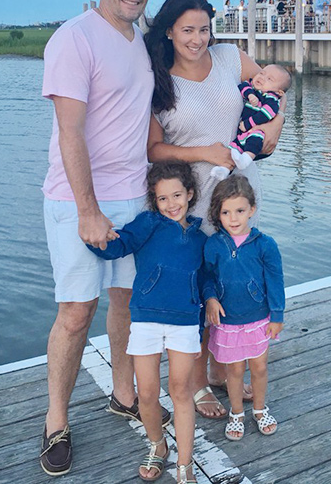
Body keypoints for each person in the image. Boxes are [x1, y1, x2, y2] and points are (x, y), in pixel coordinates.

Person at [39, 0, 171, 477]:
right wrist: (89, 210)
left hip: (134, 195)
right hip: (79, 201)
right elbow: (69, 130)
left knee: (126, 301)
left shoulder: (141, 41)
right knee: (76, 313)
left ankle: (125, 395)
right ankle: (54, 421)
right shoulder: (74, 38)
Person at [144, 0, 285, 420]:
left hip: (238, 196)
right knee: (202, 296)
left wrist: (273, 131)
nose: (197, 38)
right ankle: (200, 382)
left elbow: (273, 92)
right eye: (187, 30)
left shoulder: (230, 57)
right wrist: (203, 151)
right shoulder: (159, 80)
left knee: (237, 286)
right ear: (169, 31)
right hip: (191, 201)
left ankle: (229, 369)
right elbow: (154, 150)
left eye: (204, 29)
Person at [87, 161, 206, 483]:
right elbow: (119, 245)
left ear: (190, 194)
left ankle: (185, 463)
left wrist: (204, 317)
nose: (171, 204)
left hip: (184, 324)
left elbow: (206, 282)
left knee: (181, 391)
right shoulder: (148, 224)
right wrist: (94, 235)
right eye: (163, 198)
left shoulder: (201, 238)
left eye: (177, 195)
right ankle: (158, 444)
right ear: (154, 200)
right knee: (148, 394)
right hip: (145, 321)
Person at [203, 176, 284, 441]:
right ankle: (236, 413)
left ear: (252, 209)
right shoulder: (214, 245)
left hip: (259, 319)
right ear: (218, 213)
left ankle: (259, 409)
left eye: (240, 211)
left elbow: (275, 281)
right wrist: (211, 298)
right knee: (234, 371)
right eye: (226, 212)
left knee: (259, 367)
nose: (233, 218)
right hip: (228, 321)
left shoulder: (265, 245)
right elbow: (206, 277)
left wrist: (277, 315)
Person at [210, 65, 292, 180]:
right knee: (233, 149)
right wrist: (250, 95)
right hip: (242, 132)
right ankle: (224, 170)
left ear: (279, 92)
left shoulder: (271, 98)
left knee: (255, 140)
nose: (262, 78)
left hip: (256, 129)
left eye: (270, 79)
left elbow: (266, 114)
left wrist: (248, 124)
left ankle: (246, 158)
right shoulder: (252, 88)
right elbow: (242, 87)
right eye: (262, 73)